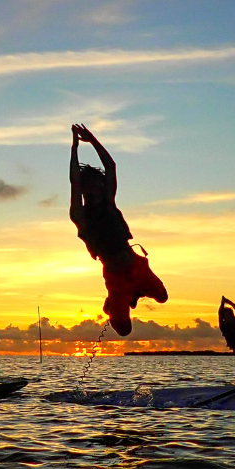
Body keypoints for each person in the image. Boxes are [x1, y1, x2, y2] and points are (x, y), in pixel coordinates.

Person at [70, 123, 167, 336]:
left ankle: (138, 292)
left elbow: (111, 167)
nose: (101, 186)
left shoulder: (108, 203)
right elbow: (74, 181)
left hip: (135, 264)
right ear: (87, 187)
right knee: (123, 329)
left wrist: (92, 140)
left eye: (101, 183)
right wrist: (74, 146)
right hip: (115, 278)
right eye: (96, 183)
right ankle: (118, 302)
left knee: (162, 297)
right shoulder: (80, 216)